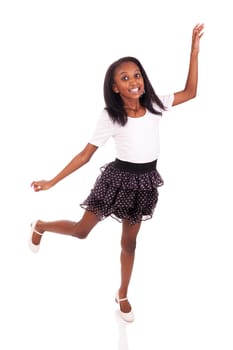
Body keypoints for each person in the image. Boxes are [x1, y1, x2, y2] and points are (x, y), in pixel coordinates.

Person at [30, 23, 204, 322]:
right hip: (116, 180)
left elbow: (190, 92)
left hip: (145, 182)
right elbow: (85, 155)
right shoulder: (111, 115)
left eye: (136, 75)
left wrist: (194, 51)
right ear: (115, 87)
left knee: (130, 242)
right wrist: (51, 181)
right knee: (81, 232)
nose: (133, 81)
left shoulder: (156, 104)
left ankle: (122, 293)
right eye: (125, 78)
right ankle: (41, 225)